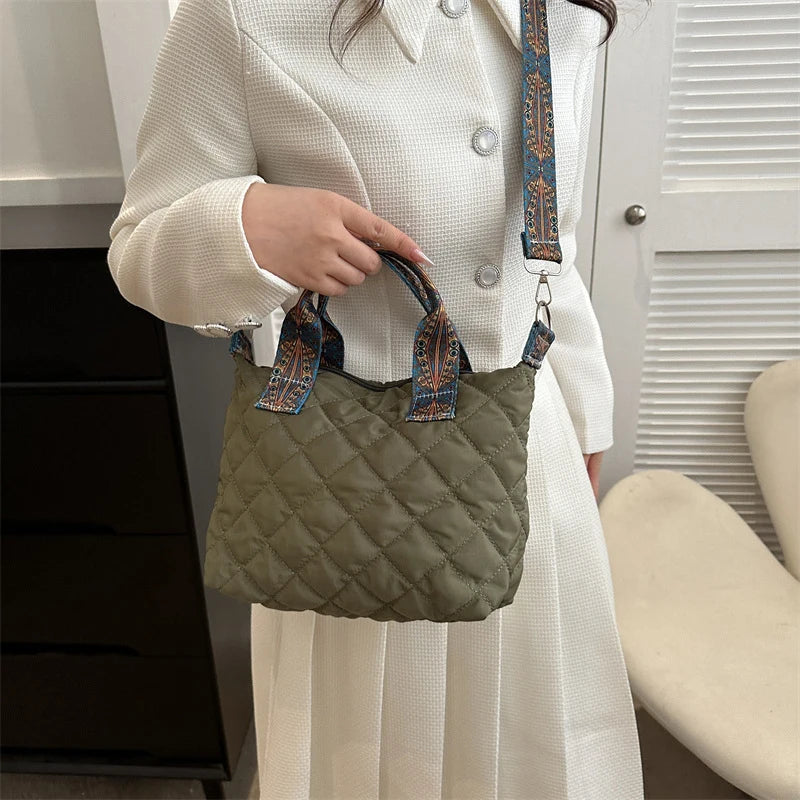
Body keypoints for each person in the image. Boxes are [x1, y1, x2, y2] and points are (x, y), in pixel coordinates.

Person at [107, 0, 645, 796]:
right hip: (347, 497)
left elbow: (549, 251)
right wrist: (251, 227)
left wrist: (587, 416)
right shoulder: (241, 14)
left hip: (534, 464)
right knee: (372, 761)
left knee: (539, 750)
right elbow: (139, 248)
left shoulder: (563, 14)